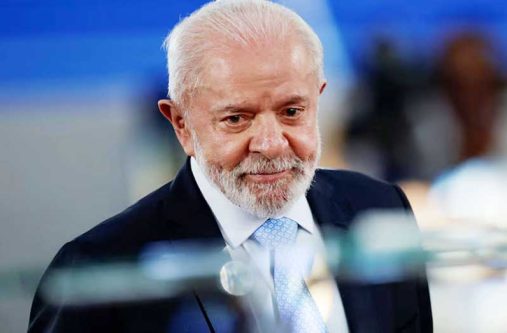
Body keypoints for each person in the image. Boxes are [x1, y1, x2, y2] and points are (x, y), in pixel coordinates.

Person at [28, 1, 432, 332]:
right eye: (237, 119)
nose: (271, 145)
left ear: (318, 100)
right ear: (181, 124)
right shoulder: (98, 269)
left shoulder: (380, 208)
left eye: (292, 111)